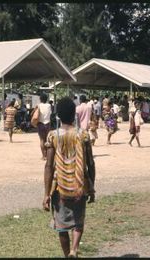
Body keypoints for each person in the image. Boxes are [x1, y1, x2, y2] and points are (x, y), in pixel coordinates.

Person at [43, 97, 95, 258]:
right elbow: (91, 164)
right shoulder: (83, 135)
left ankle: (68, 255)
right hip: (80, 186)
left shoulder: (53, 136)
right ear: (74, 115)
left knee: (61, 225)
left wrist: (46, 194)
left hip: (60, 188)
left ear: (57, 115)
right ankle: (74, 248)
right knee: (78, 222)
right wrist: (91, 187)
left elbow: (49, 166)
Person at [37, 93, 52, 160]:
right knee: (47, 140)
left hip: (40, 124)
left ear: (40, 99)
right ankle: (47, 155)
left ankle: (44, 156)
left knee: (42, 140)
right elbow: (50, 113)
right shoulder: (49, 105)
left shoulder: (39, 105)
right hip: (48, 124)